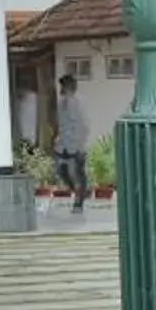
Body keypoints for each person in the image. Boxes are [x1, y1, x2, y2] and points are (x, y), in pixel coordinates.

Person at [53, 72, 92, 214]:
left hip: (76, 145)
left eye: (63, 86)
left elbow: (84, 126)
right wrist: (58, 139)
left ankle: (78, 202)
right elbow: (61, 124)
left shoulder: (78, 103)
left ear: (69, 87)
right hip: (62, 144)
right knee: (61, 171)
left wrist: (79, 145)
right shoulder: (60, 103)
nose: (61, 89)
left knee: (78, 173)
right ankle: (81, 191)